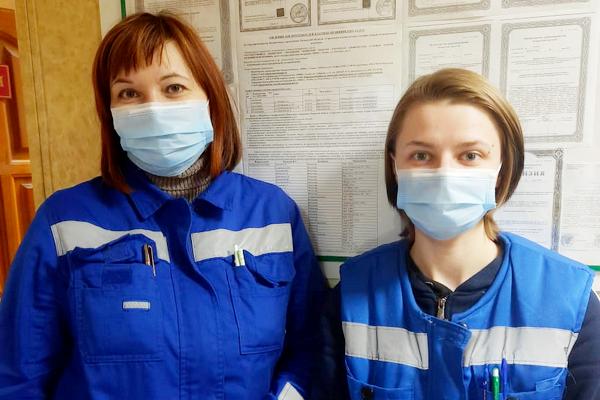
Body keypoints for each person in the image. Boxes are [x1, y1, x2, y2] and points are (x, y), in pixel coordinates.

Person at [0, 12, 324, 399]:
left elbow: (312, 351)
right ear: (110, 114)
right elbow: (19, 375)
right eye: (129, 93)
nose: (153, 108)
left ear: (210, 99)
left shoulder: (273, 213)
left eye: (173, 88)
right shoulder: (63, 222)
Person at [316, 68, 600, 399]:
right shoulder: (353, 294)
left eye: (470, 155)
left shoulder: (569, 298)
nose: (445, 175)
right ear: (395, 166)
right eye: (421, 155)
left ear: (501, 170)